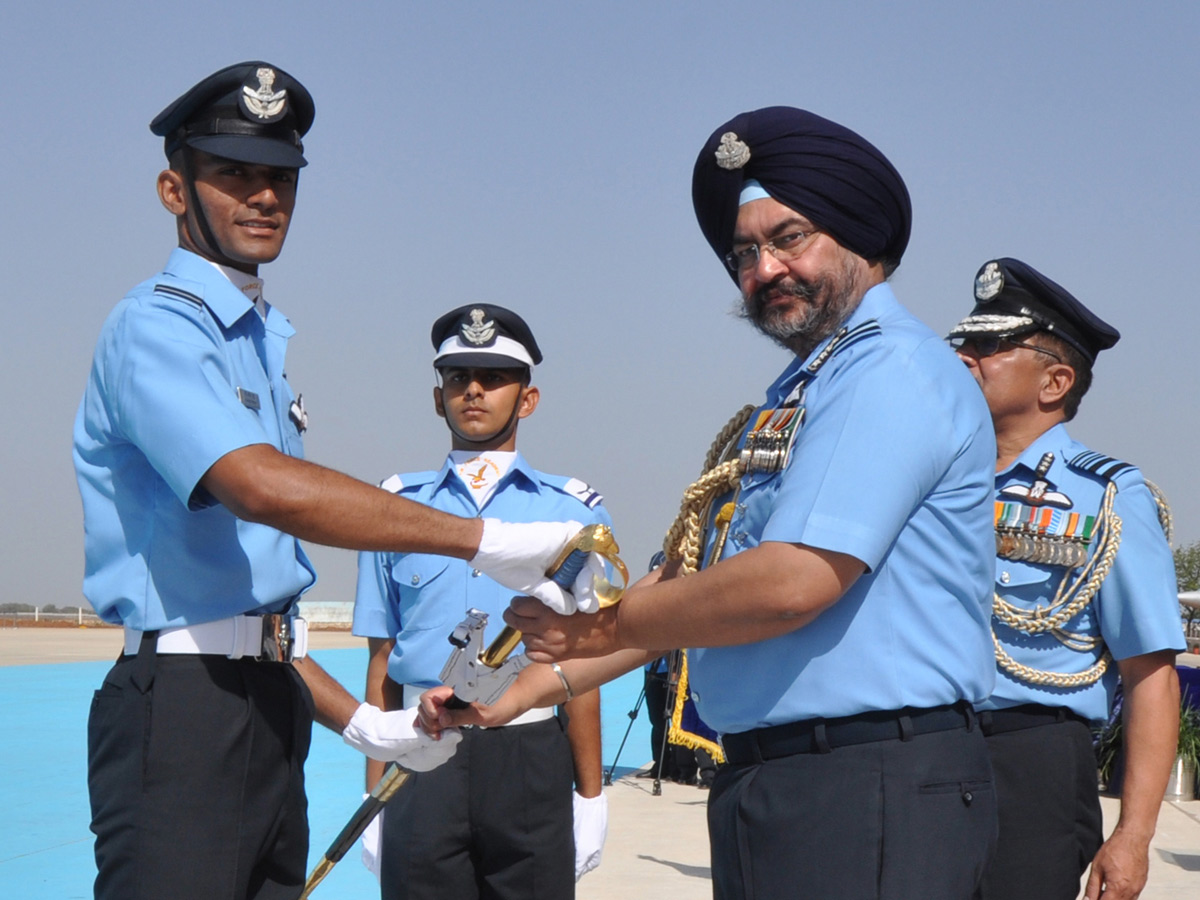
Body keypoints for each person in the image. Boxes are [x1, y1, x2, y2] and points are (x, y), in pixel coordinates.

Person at [427, 106, 1001, 900]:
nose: (764, 270)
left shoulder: (891, 372)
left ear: (859, 236)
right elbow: (674, 590)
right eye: (744, 253)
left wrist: (598, 624)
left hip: (870, 780)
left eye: (789, 237)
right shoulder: (791, 404)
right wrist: (509, 698)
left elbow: (792, 581)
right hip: (780, 784)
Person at [73, 62, 599, 900]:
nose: (264, 196)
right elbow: (262, 488)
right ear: (175, 189)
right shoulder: (158, 326)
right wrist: (483, 539)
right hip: (182, 711)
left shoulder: (255, 343)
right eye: (233, 173)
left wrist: (361, 722)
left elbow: (258, 612)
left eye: (279, 177)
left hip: (270, 699)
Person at [947, 258, 1184, 900]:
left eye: (990, 345)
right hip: (921, 746)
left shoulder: (1106, 496)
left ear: (1055, 380)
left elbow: (1150, 673)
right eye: (962, 342)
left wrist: (1133, 835)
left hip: (1029, 762)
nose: (966, 356)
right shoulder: (933, 480)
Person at [354, 304, 608, 898]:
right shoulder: (392, 508)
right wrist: (375, 795)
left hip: (531, 755)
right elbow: (381, 660)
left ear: (528, 399)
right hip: (421, 745)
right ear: (436, 396)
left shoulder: (574, 512)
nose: (473, 390)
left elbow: (586, 666)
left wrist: (590, 796)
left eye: (494, 377)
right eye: (457, 377)